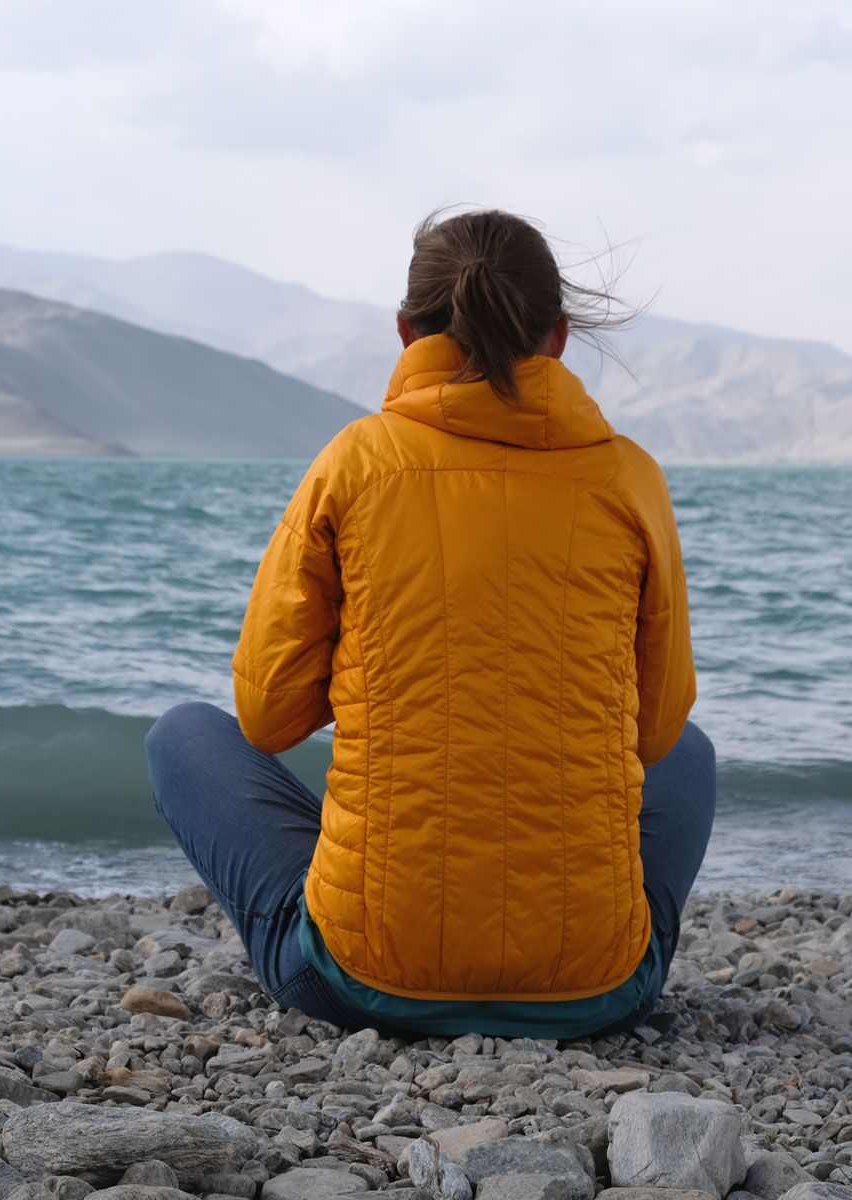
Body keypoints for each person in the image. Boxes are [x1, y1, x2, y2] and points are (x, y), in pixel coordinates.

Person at [146, 209, 712, 1038]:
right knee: (692, 753)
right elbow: (657, 733)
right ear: (557, 336)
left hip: (360, 980)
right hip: (596, 990)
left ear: (408, 331)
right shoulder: (630, 479)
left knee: (180, 736)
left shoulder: (357, 461)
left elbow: (269, 720)